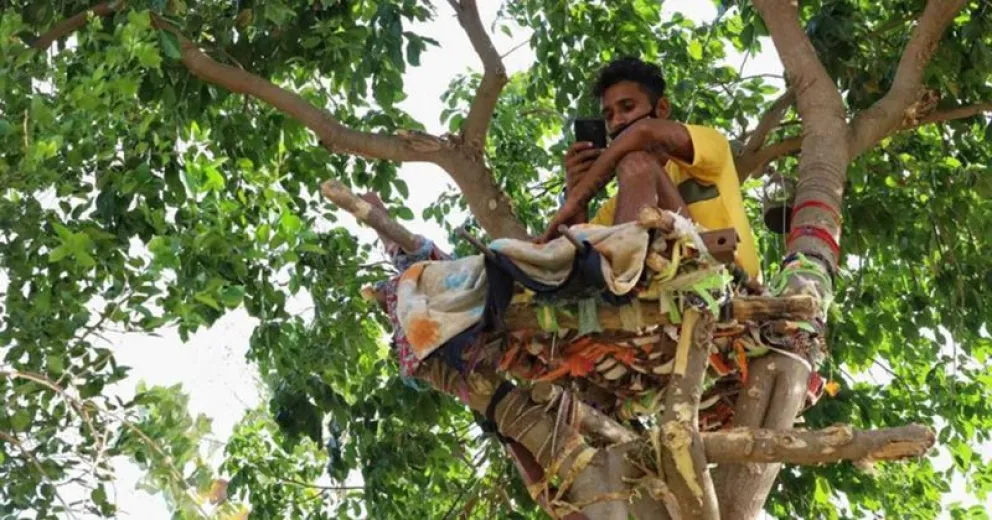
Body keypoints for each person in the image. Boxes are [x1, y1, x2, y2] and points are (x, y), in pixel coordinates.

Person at [557, 57, 761, 282]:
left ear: (662, 108)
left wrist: (575, 198)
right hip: (655, 297)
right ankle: (622, 281)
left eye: (627, 107)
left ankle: (622, 280)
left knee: (636, 162)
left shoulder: (712, 148)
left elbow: (644, 132)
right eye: (608, 116)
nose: (616, 122)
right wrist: (576, 191)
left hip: (724, 282)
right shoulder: (622, 201)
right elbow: (576, 252)